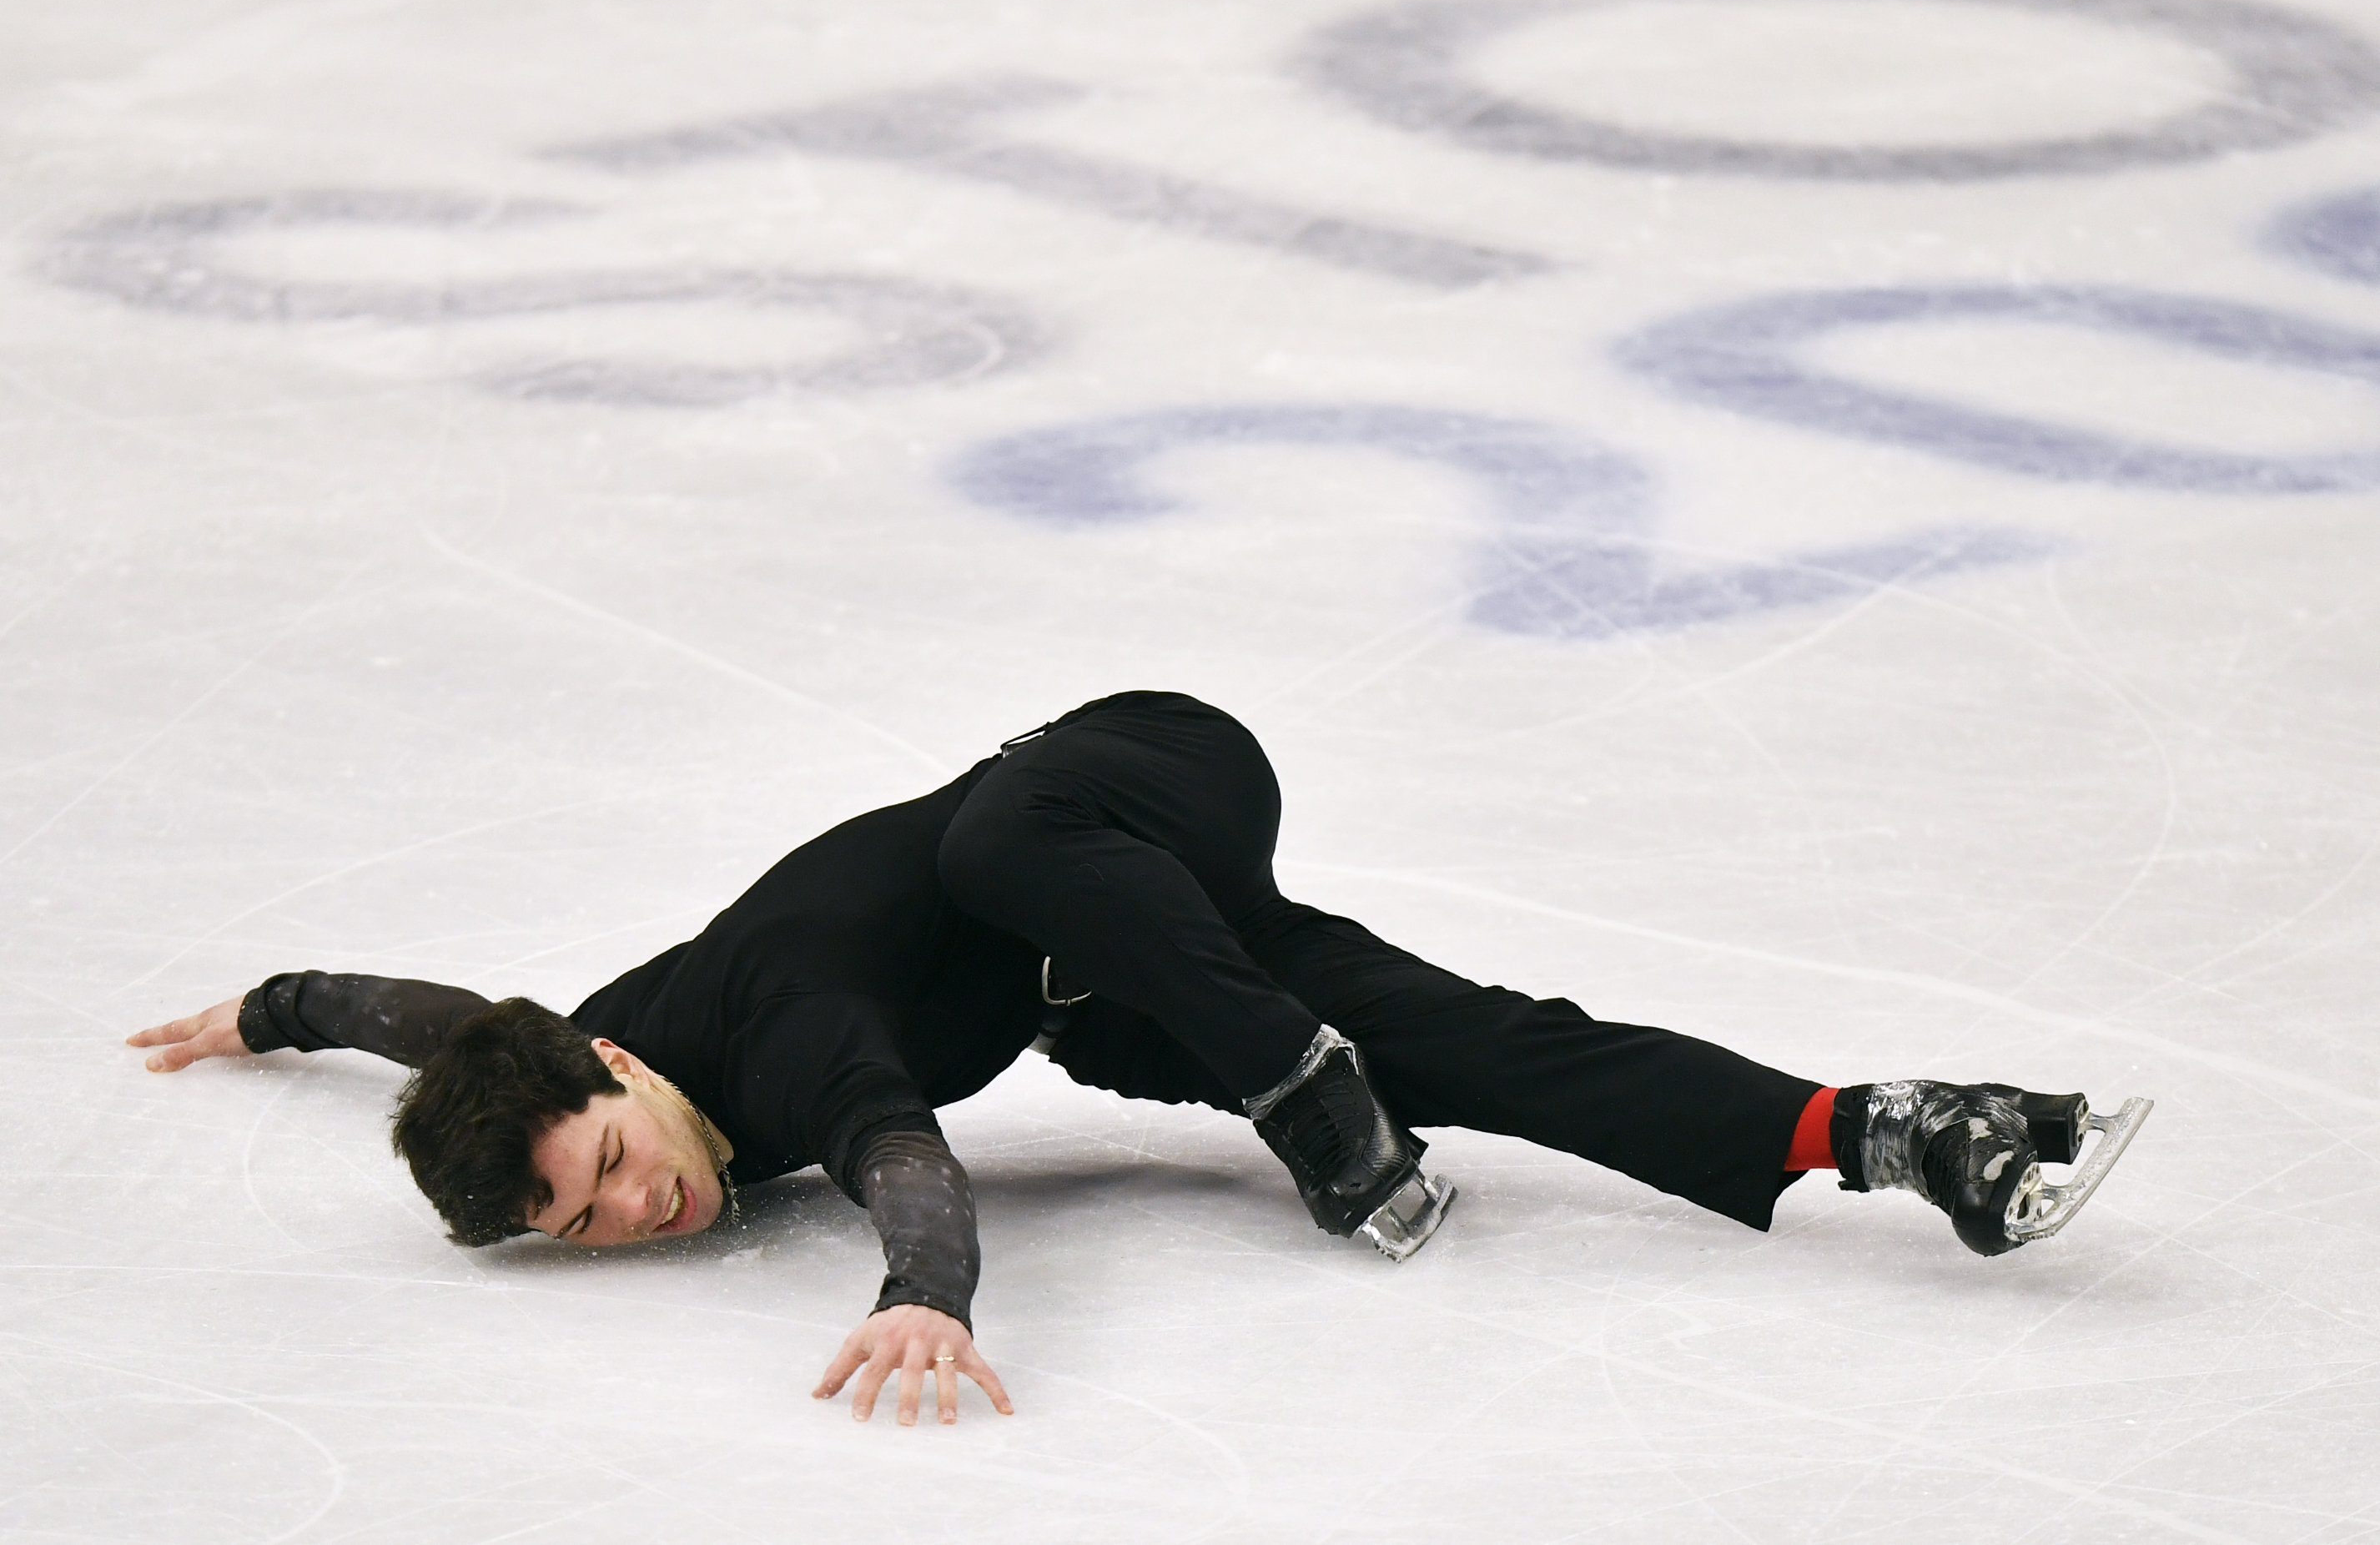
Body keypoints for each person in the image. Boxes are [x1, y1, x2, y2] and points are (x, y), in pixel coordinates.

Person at [127, 691, 2149, 1429]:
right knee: (1483, 1046)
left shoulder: (794, 1036)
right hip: (1130, 970)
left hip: (1133, 777)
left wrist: (923, 1286)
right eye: (587, 1228)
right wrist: (275, 1008)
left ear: (600, 1059)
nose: (635, 1208)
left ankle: (1297, 1086)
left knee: (992, 838)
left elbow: (909, 1153)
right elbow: (416, 1016)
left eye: (602, 1163)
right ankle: (1910, 1133)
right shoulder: (542, 1051)